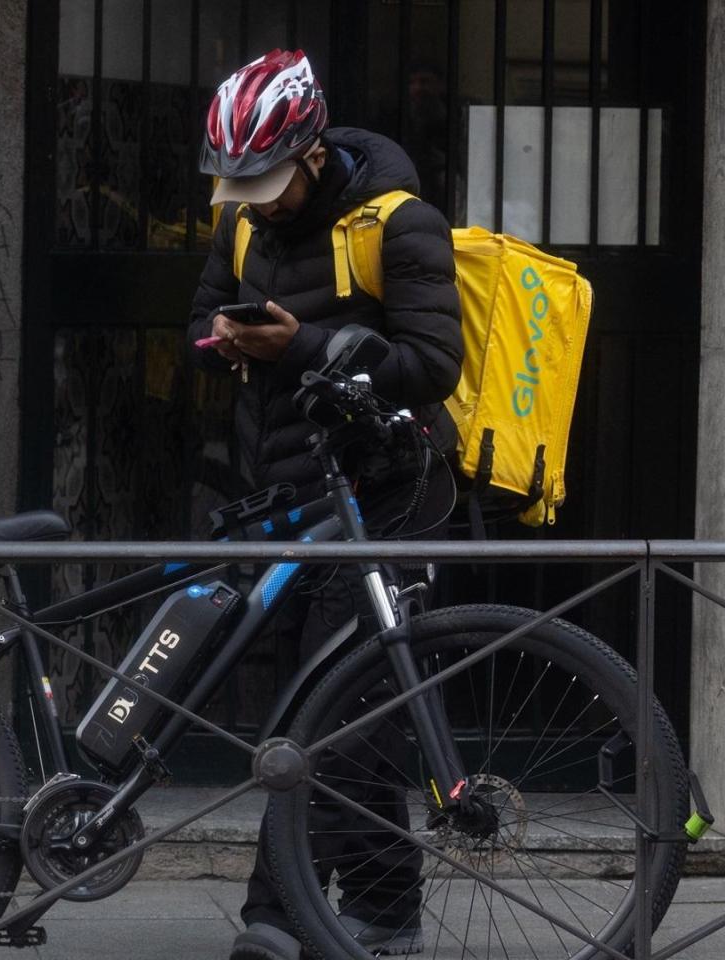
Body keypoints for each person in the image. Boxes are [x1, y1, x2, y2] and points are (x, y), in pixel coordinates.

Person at [186, 50, 463, 960]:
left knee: (333, 715)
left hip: (388, 492)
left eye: (268, 185)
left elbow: (433, 365)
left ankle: (276, 916)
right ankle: (386, 908)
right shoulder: (239, 222)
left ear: (311, 153)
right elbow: (197, 320)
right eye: (240, 187)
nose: (256, 204)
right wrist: (219, 341)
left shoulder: (400, 225)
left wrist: (301, 343)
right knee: (339, 711)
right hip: (288, 494)